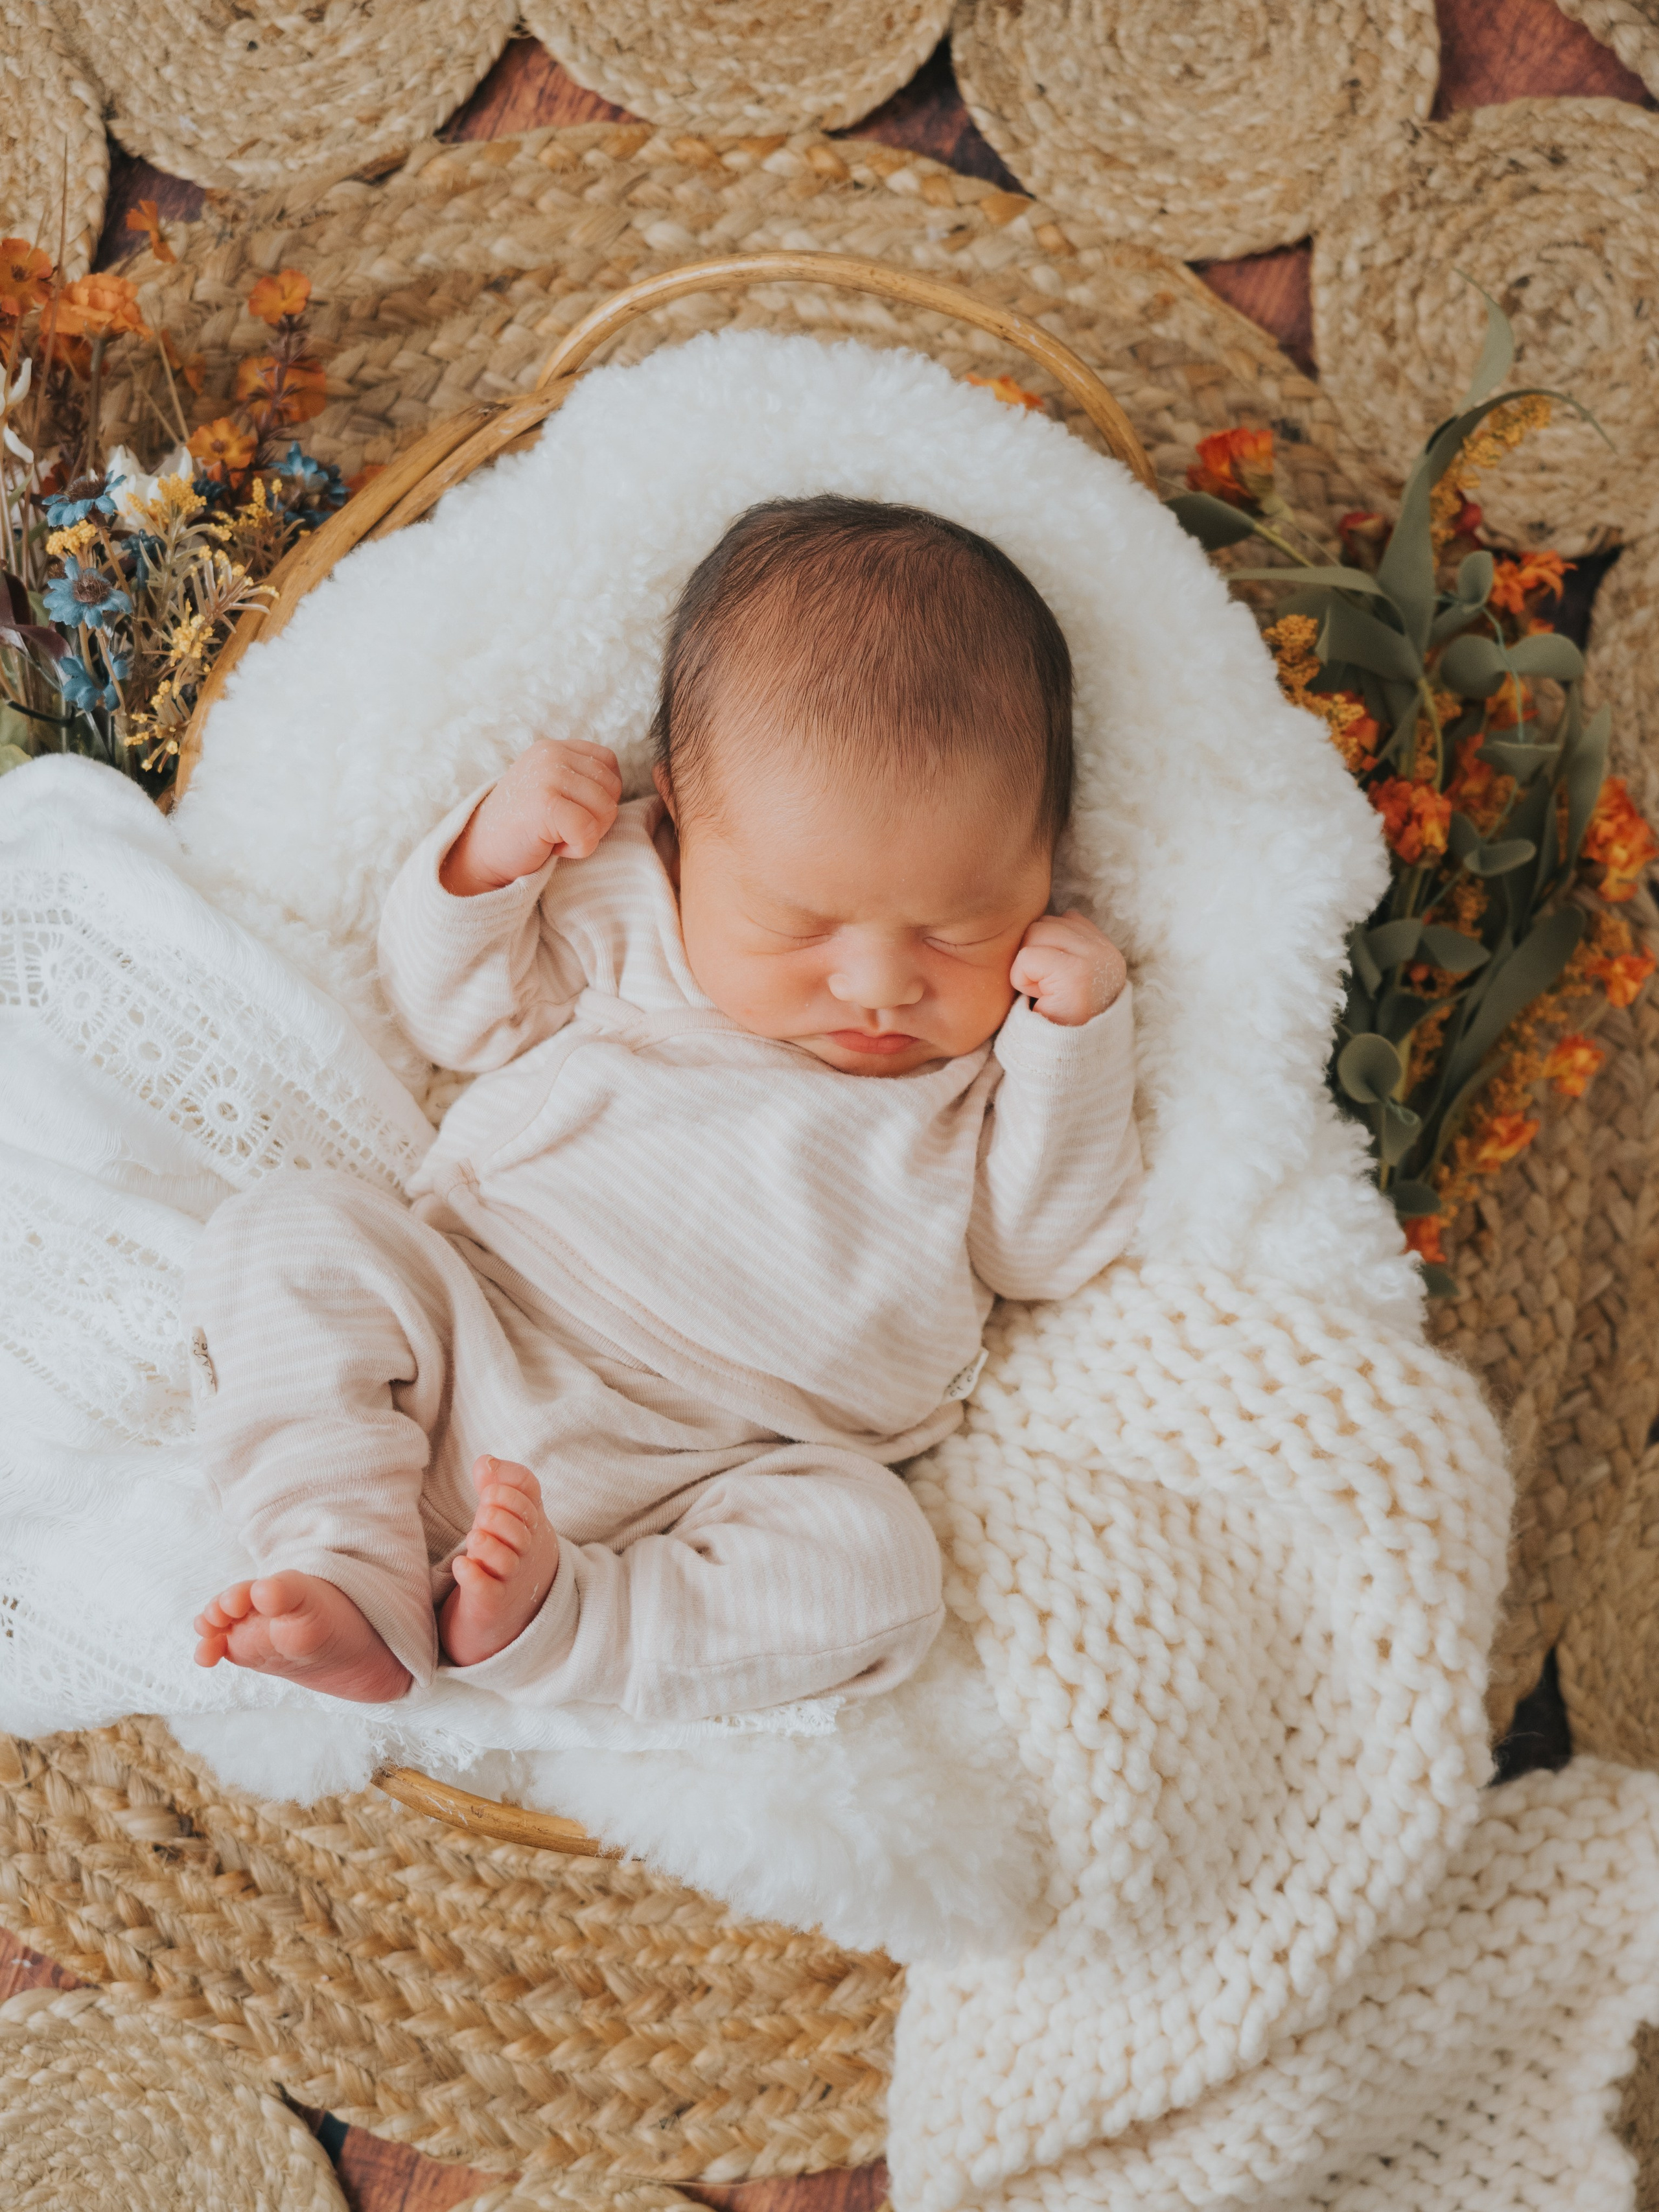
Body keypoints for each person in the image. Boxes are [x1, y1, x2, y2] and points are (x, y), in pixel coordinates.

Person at [188, 494, 1143, 1716]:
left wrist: (1076, 1045)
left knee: (879, 1567)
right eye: (800, 924)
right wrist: (489, 856)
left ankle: (557, 1621)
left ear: (1047, 864)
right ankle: (343, 1559)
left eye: (957, 927)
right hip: (479, 1325)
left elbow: (1043, 1248)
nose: (882, 983)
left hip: (733, 1465)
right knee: (290, 1234)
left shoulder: (995, 1058)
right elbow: (457, 1015)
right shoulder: (635, 909)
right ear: (681, 831)